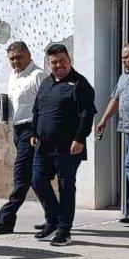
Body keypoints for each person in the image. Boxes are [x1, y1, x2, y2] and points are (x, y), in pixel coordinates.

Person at [31, 44, 96, 246]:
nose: (58, 65)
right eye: (54, 62)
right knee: (38, 181)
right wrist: (34, 132)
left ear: (69, 60)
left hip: (68, 148)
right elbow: (37, 110)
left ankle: (64, 231)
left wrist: (79, 139)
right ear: (49, 63)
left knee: (66, 187)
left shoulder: (79, 84)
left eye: (62, 60)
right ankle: (53, 221)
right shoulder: (46, 83)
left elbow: (87, 115)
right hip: (44, 146)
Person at [0, 41, 47, 234]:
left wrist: (37, 133)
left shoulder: (37, 76)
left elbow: (46, 106)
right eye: (12, 58)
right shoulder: (14, 76)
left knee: (21, 176)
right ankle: (54, 216)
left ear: (29, 55)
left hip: (31, 132)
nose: (15, 61)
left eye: (18, 57)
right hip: (18, 130)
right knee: (34, 179)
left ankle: (6, 219)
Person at [97, 43, 129, 223]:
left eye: (127, 57)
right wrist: (103, 120)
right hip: (127, 128)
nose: (124, 61)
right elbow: (115, 99)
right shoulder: (123, 77)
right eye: (122, 58)